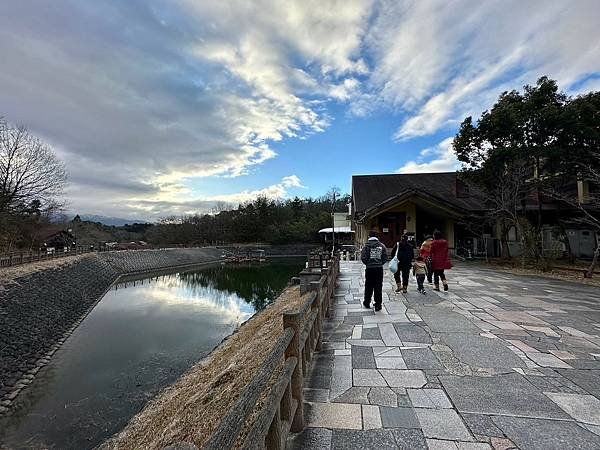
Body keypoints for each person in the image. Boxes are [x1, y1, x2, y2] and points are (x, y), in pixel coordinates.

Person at [361, 230, 388, 311]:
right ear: (377, 237)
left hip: (369, 269)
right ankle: (378, 304)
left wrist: (368, 263)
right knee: (378, 286)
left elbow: (363, 258)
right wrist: (380, 263)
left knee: (368, 286)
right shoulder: (382, 246)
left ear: (369, 237)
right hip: (379, 269)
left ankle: (367, 302)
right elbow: (385, 257)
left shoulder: (366, 246)